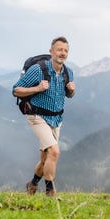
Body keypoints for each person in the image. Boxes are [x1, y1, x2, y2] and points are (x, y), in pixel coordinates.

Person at [12, 37, 76, 198]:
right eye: (59, 49)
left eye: (65, 50)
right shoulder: (38, 70)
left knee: (46, 158)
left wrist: (72, 90)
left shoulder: (68, 72)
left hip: (56, 119)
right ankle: (50, 192)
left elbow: (69, 95)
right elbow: (16, 90)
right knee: (54, 152)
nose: (62, 53)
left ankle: (32, 184)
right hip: (37, 116)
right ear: (51, 51)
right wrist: (38, 88)